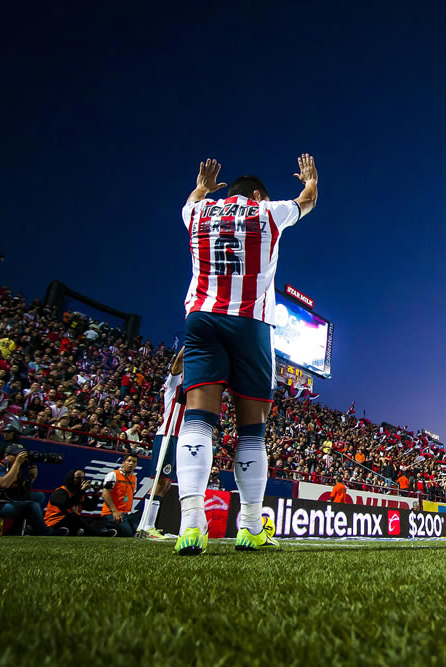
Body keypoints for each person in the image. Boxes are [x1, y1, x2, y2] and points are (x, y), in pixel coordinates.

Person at [173, 155, 318, 556]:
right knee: (252, 431)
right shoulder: (268, 212)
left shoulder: (198, 211)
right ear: (257, 195)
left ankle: (190, 525)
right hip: (251, 323)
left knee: (198, 420)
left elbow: (190, 201)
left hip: (202, 319)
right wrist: (310, 180)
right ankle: (250, 525)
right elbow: (308, 200)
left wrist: (203, 184)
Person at [137, 348, 185, 541]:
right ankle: (145, 526)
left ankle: (148, 525)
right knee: (158, 481)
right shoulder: (174, 384)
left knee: (166, 483)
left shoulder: (192, 391)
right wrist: (191, 341)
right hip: (167, 435)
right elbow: (178, 362)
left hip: (179, 439)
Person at [0, 444, 56, 535]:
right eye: (16, 455)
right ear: (6, 456)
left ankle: (23, 527)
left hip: (2, 500)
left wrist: (32, 477)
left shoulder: (15, 468)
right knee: (32, 506)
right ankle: (47, 533)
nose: (19, 458)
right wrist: (17, 463)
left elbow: (21, 490)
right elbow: (5, 484)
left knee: (39, 496)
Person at [44, 469, 111, 536]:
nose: (81, 481)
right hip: (56, 523)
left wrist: (96, 493)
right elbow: (67, 504)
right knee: (74, 516)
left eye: (82, 478)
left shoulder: (79, 492)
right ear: (71, 479)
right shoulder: (60, 492)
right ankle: (97, 534)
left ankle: (84, 532)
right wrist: (82, 491)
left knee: (101, 519)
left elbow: (90, 507)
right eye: (78, 479)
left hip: (74, 521)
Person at [95, 453, 141, 537]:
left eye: (134, 462)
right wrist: (115, 511)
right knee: (128, 533)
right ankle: (106, 529)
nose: (131, 463)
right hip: (111, 513)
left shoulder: (134, 478)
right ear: (123, 463)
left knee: (139, 532)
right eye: (129, 461)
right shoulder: (113, 475)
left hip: (126, 514)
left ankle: (116, 529)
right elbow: (105, 495)